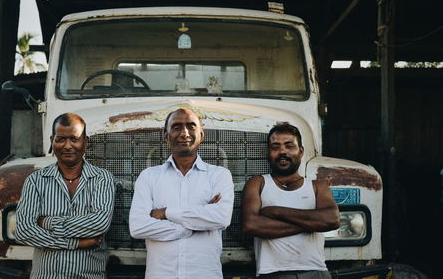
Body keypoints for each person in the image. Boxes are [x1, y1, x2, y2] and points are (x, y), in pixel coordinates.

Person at [129, 108, 234, 279]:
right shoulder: (149, 176)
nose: (184, 133)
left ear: (201, 134)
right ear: (166, 135)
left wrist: (166, 213)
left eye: (191, 126)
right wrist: (193, 223)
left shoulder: (219, 175)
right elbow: (138, 227)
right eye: (177, 127)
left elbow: (221, 218)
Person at [15, 113, 115, 278]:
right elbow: (24, 231)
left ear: (85, 141)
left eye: (74, 139)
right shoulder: (35, 181)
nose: (68, 146)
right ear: (52, 141)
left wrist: (47, 222)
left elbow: (100, 223)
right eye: (60, 139)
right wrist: (75, 243)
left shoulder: (102, 178)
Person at [241, 122, 340, 279]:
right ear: (269, 152)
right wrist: (310, 223)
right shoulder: (258, 183)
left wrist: (275, 211)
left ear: (300, 151)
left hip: (315, 271)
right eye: (275, 147)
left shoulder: (317, 186)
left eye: (289, 146)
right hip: (272, 273)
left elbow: (332, 220)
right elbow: (250, 225)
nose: (282, 152)